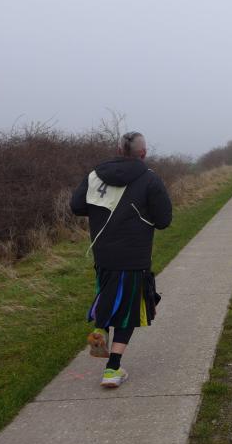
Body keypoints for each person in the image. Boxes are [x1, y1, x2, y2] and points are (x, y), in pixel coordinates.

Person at [70, 131, 172, 388]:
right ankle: (112, 369)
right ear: (143, 153)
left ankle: (101, 329)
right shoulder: (149, 178)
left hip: (103, 254)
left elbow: (76, 206)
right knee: (129, 311)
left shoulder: (95, 175)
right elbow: (164, 220)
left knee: (108, 296)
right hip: (134, 256)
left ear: (118, 151)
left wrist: (102, 211)